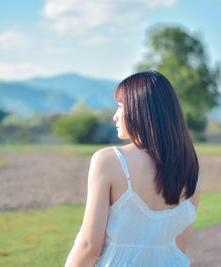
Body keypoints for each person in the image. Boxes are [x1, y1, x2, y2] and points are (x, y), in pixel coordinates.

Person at [65, 71, 201, 267]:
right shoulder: (192, 174)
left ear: (141, 111)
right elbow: (178, 249)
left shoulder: (109, 161)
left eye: (120, 106)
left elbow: (89, 247)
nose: (115, 116)